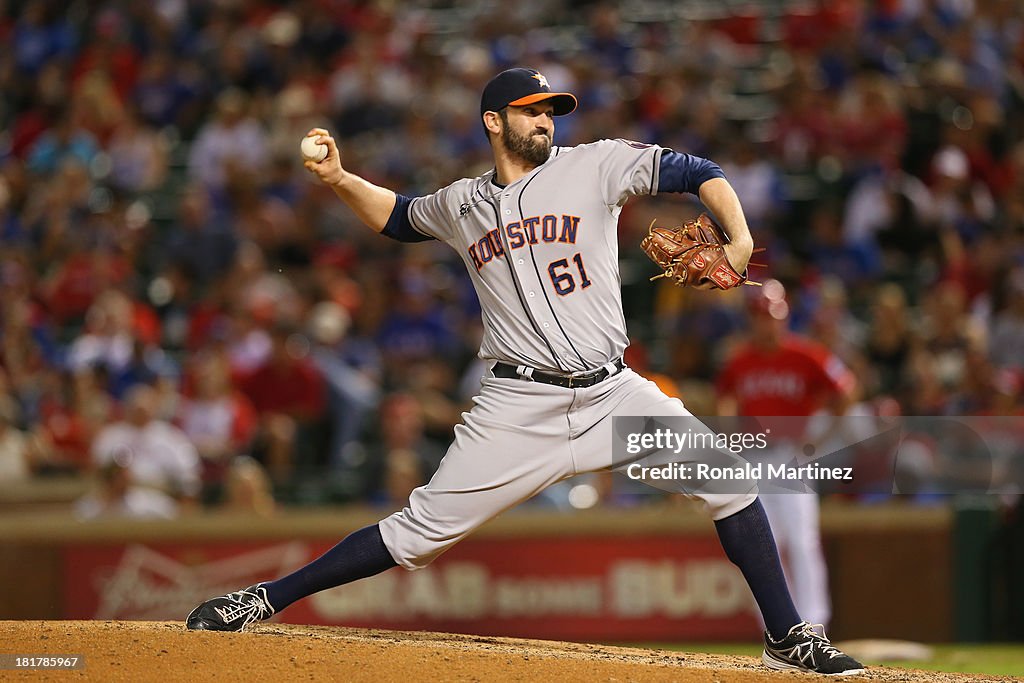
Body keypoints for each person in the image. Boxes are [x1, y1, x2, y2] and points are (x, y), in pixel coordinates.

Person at [185, 68, 864, 675]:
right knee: (416, 534)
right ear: (494, 120)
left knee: (729, 481)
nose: (546, 120)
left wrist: (739, 239)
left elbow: (697, 170)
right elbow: (396, 217)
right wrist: (338, 180)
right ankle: (263, 598)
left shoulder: (595, 164)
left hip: (611, 392)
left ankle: (787, 635)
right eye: (532, 109)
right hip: (516, 404)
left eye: (551, 111)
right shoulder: (461, 203)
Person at [716, 279, 858, 629]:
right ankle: (776, 626)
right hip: (754, 458)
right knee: (761, 543)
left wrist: (821, 437)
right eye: (763, 316)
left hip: (790, 458)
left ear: (785, 317)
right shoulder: (740, 360)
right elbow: (724, 401)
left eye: (774, 316)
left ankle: (815, 623)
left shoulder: (805, 354)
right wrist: (730, 439)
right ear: (753, 318)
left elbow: (847, 390)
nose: (769, 323)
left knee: (801, 540)